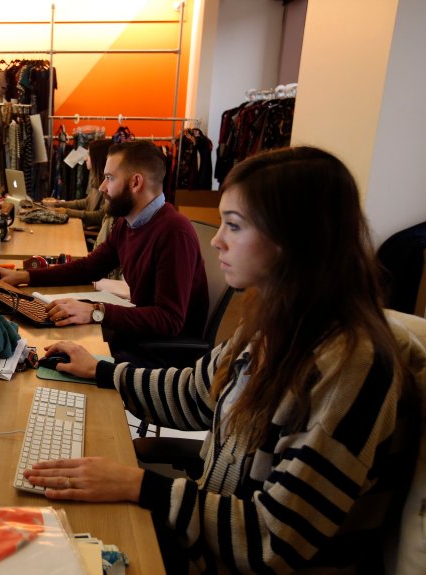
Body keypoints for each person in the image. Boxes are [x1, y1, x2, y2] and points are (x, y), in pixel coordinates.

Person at [27, 146, 418, 573]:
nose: (215, 240)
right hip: (206, 542)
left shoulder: (352, 367)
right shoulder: (277, 325)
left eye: (233, 225)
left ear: (295, 240)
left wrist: (139, 485)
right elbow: (196, 394)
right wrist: (100, 370)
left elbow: (275, 540)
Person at [0, 140, 208, 366]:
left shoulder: (174, 233)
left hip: (161, 359)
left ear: (136, 182)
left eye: (110, 178)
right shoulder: (128, 223)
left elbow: (169, 320)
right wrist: (26, 277)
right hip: (136, 337)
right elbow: (89, 267)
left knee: (52, 364)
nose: (102, 187)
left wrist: (95, 311)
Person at [53, 138, 114, 238]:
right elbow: (87, 202)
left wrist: (67, 211)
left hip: (92, 233)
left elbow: (100, 216)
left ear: (97, 158)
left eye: (89, 155)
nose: (86, 158)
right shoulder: (96, 180)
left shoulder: (108, 186)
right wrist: (59, 204)